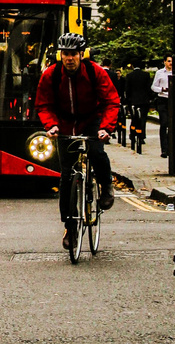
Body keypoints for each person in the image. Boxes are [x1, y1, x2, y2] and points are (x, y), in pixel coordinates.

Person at [35, 33, 120, 247]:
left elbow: (111, 101)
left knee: (97, 152)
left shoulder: (95, 72)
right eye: (65, 54)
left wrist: (105, 128)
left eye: (73, 54)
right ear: (60, 55)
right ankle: (70, 227)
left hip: (91, 120)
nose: (69, 58)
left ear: (81, 54)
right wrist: (51, 125)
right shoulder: (51, 75)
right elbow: (43, 104)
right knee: (66, 176)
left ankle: (106, 185)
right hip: (64, 124)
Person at [124, 59, 153, 154]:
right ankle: (142, 136)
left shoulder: (129, 76)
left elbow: (127, 89)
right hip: (144, 100)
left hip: (133, 100)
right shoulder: (146, 75)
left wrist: (128, 99)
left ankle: (133, 134)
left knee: (134, 118)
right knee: (143, 118)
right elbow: (148, 88)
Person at [152, 56, 172, 158]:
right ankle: (164, 149)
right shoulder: (159, 73)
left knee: (171, 124)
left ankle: (170, 147)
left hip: (172, 100)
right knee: (164, 123)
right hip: (162, 99)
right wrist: (162, 89)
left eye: (172, 61)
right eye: (168, 61)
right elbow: (153, 87)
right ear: (164, 62)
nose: (170, 63)